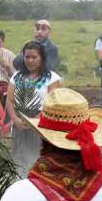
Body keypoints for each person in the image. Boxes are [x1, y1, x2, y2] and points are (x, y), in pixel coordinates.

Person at [7, 41, 62, 176]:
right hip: (20, 124)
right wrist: (15, 119)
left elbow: (52, 104)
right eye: (27, 57)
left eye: (34, 57)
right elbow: (9, 100)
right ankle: (19, 183)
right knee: (18, 157)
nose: (30, 61)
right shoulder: (16, 76)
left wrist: (35, 121)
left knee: (38, 158)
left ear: (41, 58)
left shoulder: (52, 78)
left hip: (41, 124)